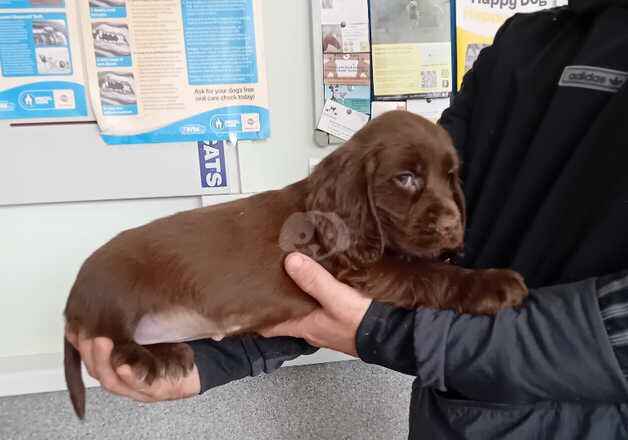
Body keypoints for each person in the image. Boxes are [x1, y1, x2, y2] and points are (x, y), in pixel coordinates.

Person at [66, 0, 628, 437]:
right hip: (459, 418)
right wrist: (220, 353)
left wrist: (381, 331)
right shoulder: (529, 41)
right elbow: (375, 241)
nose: (450, 213)